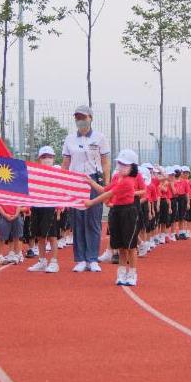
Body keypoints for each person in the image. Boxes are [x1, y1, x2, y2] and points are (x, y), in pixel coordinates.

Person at [84, 149, 147, 286]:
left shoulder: (128, 181)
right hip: (117, 211)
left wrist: (91, 202)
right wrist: (91, 182)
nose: (121, 167)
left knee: (130, 246)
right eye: (120, 163)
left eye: (125, 165)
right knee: (121, 246)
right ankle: (121, 273)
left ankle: (132, 274)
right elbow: (105, 189)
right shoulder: (118, 178)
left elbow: (109, 194)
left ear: (132, 167)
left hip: (129, 212)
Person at [61, 105, 111, 273]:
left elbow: (105, 162)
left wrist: (106, 183)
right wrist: (61, 183)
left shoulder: (100, 138)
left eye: (83, 117)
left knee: (93, 220)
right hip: (75, 182)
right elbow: (65, 163)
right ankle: (81, 259)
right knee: (78, 221)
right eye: (77, 118)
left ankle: (92, 258)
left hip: (93, 181)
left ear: (91, 118)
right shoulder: (69, 139)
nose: (80, 121)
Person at [28, 146, 63, 273]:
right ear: (39, 159)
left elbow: (61, 189)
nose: (47, 159)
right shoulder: (34, 172)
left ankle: (54, 262)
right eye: (44, 157)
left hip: (50, 207)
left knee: (52, 235)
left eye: (49, 157)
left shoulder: (57, 172)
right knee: (40, 235)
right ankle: (42, 261)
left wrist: (59, 207)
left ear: (53, 158)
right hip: (37, 206)